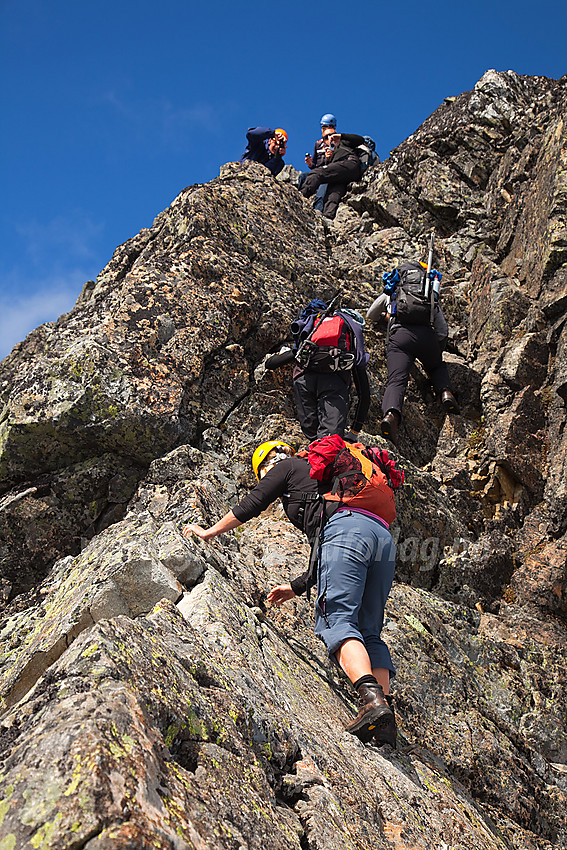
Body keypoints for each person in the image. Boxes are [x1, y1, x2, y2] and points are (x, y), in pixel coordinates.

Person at [182, 439, 398, 745]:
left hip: (347, 530)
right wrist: (296, 587)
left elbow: (253, 503)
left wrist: (209, 531)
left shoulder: (287, 467)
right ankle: (385, 718)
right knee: (369, 631)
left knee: (337, 621)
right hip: (382, 538)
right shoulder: (326, 483)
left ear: (264, 466)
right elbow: (325, 554)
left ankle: (372, 702)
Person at [367, 260, 459, 445]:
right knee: (435, 366)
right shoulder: (428, 293)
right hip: (426, 336)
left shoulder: (395, 290)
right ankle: (446, 393)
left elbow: (370, 314)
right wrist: (436, 349)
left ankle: (391, 416)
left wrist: (387, 317)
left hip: (400, 337)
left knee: (396, 381)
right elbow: (442, 330)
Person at [262, 301, 370, 442]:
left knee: (313, 438)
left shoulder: (310, 336)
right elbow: (364, 394)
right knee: (329, 441)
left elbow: (270, 364)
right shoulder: (347, 342)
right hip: (334, 383)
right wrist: (355, 431)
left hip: (303, 381)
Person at [299, 131, 365, 219]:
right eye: (326, 137)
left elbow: (360, 140)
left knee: (316, 173)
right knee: (333, 193)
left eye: (331, 135)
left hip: (349, 163)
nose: (330, 138)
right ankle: (328, 218)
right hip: (343, 174)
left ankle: (301, 195)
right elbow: (330, 170)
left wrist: (341, 136)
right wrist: (328, 159)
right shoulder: (331, 151)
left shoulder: (343, 142)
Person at [299, 113, 337, 212]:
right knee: (302, 177)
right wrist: (310, 164)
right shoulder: (318, 144)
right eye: (322, 127)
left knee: (320, 194)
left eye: (325, 127)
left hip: (328, 173)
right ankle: (298, 200)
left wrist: (330, 158)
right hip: (317, 171)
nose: (323, 130)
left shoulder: (337, 143)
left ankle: (318, 214)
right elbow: (314, 165)